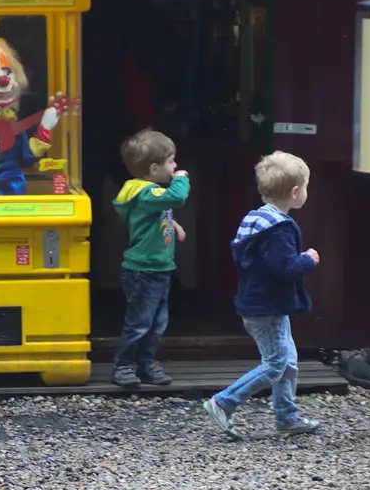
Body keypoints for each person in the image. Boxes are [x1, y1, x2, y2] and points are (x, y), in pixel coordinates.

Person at [203, 151, 321, 439]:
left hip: (262, 305)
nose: (306, 192)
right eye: (305, 186)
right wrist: (308, 260)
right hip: (267, 308)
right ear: (295, 193)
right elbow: (283, 267)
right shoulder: (279, 229)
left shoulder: (256, 218)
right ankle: (223, 402)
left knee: (287, 360)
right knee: (276, 364)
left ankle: (287, 417)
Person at [111, 129, 190, 388]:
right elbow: (175, 197)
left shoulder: (148, 193)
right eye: (171, 161)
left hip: (158, 268)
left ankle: (146, 365)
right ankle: (123, 366)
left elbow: (154, 214)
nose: (175, 166)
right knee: (140, 322)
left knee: (156, 323)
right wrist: (181, 179)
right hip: (143, 270)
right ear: (155, 168)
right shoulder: (146, 192)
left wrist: (172, 224)